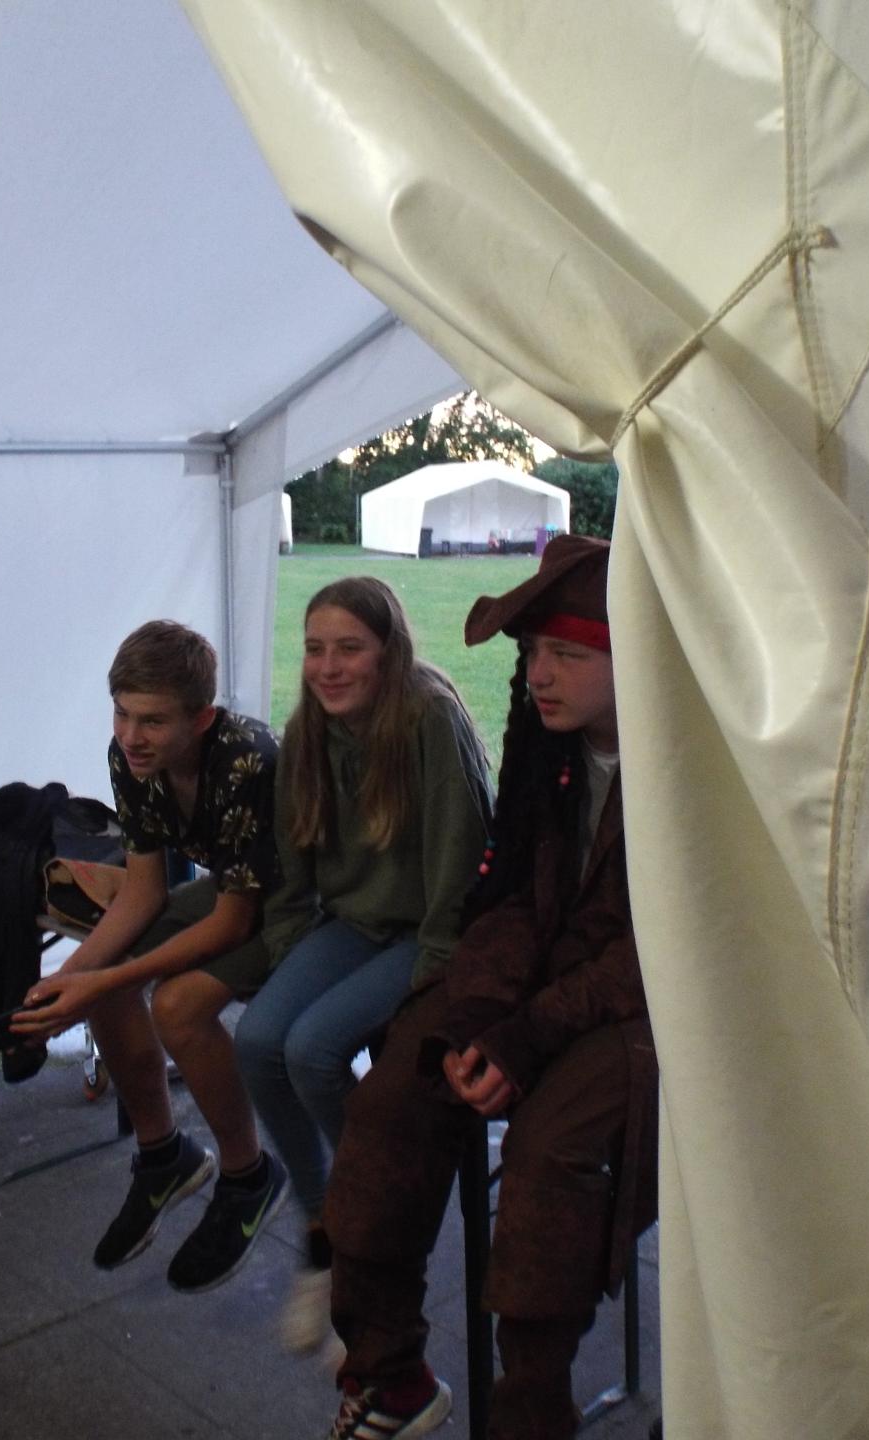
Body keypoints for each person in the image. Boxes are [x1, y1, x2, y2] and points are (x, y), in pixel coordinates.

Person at [319, 536, 657, 1440]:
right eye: (533, 652)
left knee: (550, 1154)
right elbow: (508, 892)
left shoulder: (686, 765)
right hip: (543, 978)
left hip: (649, 1006)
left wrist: (528, 1036)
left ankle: (532, 1412)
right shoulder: (547, 745)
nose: (538, 674)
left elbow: (662, 951)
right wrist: (477, 1015)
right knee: (395, 1095)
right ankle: (389, 1372)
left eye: (568, 653)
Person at [234, 576, 491, 1351]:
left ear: (388, 652)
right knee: (258, 1039)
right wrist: (290, 957)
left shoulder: (427, 717)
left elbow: (461, 856)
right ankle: (328, 1229)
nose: (328, 666)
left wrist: (438, 972)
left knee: (313, 1050)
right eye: (315, 649)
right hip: (353, 924)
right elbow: (291, 870)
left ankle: (376, 1227)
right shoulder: (307, 731)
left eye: (349, 648)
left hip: (429, 929)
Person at [13, 621, 288, 1292]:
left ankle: (248, 1175)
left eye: (153, 721)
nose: (132, 735)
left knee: (177, 1005)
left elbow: (233, 922)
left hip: (302, 903)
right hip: (236, 891)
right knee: (102, 980)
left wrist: (104, 977)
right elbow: (142, 892)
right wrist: (64, 982)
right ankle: (163, 1156)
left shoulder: (246, 760)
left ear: (203, 718)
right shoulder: (131, 756)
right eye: (122, 713)